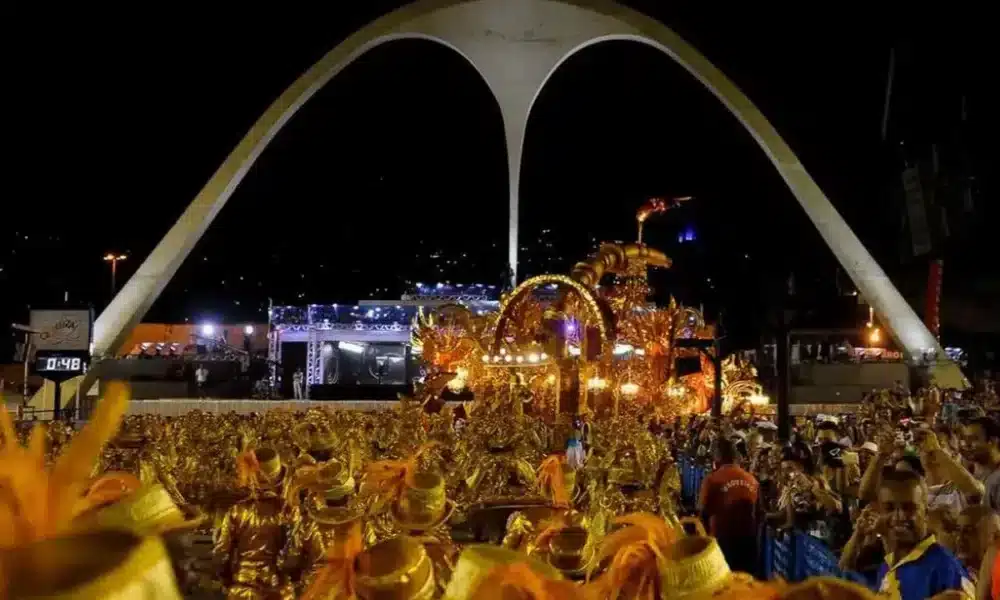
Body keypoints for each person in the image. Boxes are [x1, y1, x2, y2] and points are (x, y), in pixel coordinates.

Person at [875, 470, 974, 600]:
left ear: (926, 513)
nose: (898, 517)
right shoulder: (887, 565)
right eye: (889, 508)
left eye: (909, 508)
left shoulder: (945, 566)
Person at [698, 438, 759, 574]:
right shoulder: (752, 479)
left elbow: (702, 512)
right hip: (748, 542)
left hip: (721, 542)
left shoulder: (712, 479)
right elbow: (758, 512)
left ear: (717, 456)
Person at [960, 416, 1000, 510]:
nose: (966, 444)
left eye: (974, 439)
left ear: (992, 441)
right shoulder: (971, 471)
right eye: (965, 438)